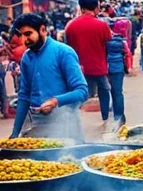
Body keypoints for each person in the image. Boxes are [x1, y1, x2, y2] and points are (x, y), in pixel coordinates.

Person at [10, 13, 89, 141]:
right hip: (36, 122)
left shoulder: (63, 52)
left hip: (65, 122)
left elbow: (82, 92)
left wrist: (55, 101)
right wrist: (15, 133)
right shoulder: (26, 57)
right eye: (21, 35)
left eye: (28, 34)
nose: (24, 40)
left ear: (42, 30)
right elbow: (24, 96)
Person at [65, 0, 113, 128]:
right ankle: (105, 118)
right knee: (104, 90)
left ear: (81, 8)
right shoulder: (102, 26)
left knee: (78, 93)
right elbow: (108, 45)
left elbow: (67, 47)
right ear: (96, 7)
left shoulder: (70, 25)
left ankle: (70, 117)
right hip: (99, 66)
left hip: (78, 68)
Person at [105, 31, 130, 128]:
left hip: (106, 68)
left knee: (106, 91)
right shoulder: (121, 42)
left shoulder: (105, 42)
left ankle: (107, 114)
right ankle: (119, 117)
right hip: (118, 68)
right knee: (118, 93)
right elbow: (127, 53)